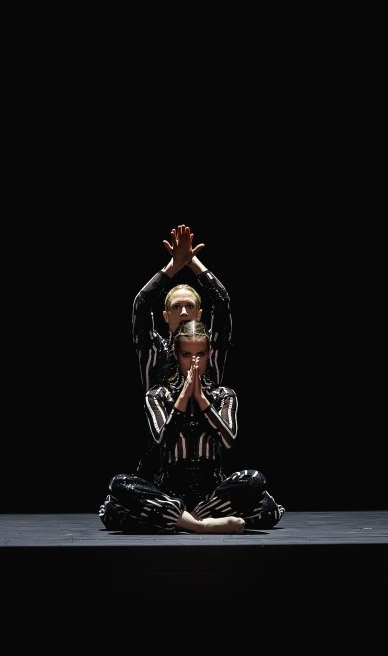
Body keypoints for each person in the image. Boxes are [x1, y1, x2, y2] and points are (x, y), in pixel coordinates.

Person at [99, 320, 283, 534]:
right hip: (168, 493)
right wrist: (184, 397)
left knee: (256, 484)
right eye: (187, 355)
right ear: (176, 354)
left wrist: (202, 399)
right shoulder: (157, 395)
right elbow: (163, 442)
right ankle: (200, 525)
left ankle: (183, 520)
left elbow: (228, 440)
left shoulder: (224, 395)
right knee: (118, 488)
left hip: (212, 495)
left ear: (209, 353)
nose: (194, 363)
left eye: (200, 354)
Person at [133, 224, 232, 394]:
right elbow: (141, 303)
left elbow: (222, 301)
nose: (184, 312)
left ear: (199, 314)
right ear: (165, 316)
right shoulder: (154, 349)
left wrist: (191, 260)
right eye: (176, 307)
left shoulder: (210, 347)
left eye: (190, 306)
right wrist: (174, 265)